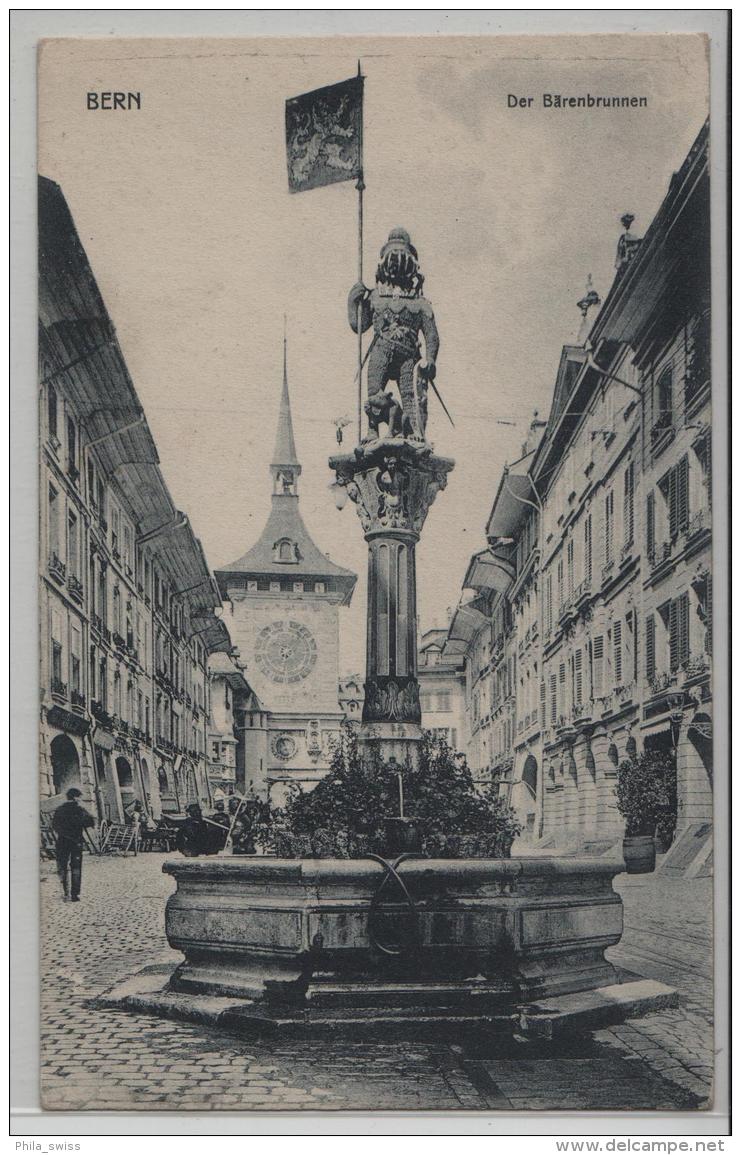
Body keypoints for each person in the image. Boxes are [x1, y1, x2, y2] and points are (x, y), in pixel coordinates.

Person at [52, 787, 95, 901]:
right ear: (76, 798)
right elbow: (90, 822)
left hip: (62, 841)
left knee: (62, 867)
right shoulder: (79, 810)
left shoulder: (59, 809)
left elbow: (55, 825)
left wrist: (63, 832)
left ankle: (65, 892)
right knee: (76, 867)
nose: (80, 800)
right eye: (80, 797)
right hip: (76, 842)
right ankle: (75, 894)